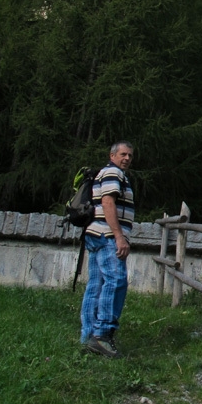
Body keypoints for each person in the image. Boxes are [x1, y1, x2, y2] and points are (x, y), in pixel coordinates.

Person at [80, 141, 135, 358]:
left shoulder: (107, 172)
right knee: (116, 280)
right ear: (112, 155)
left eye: (130, 155)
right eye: (123, 154)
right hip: (107, 235)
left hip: (96, 235)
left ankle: (88, 336)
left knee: (96, 285)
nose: (127, 158)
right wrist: (119, 237)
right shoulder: (113, 172)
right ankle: (102, 335)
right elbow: (108, 203)